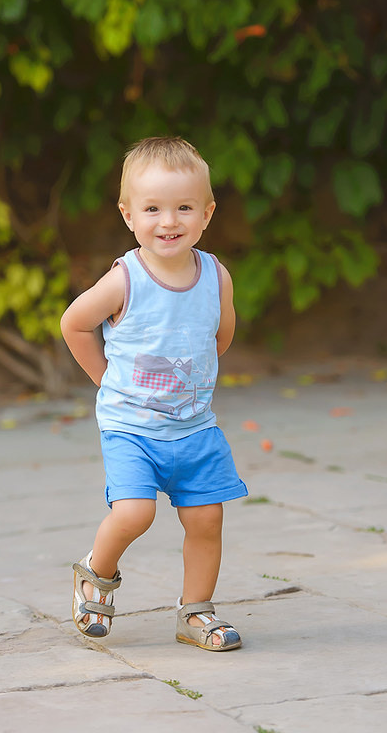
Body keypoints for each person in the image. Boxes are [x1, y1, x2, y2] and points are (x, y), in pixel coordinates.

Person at [60, 136, 248, 651]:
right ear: (128, 215)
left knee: (207, 518)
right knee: (134, 513)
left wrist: (195, 374)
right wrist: (106, 380)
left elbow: (221, 332)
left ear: (207, 214)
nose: (169, 221)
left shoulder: (216, 275)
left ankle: (196, 612)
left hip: (195, 428)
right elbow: (75, 324)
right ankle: (95, 575)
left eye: (184, 207)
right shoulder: (126, 279)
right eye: (153, 209)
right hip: (132, 429)